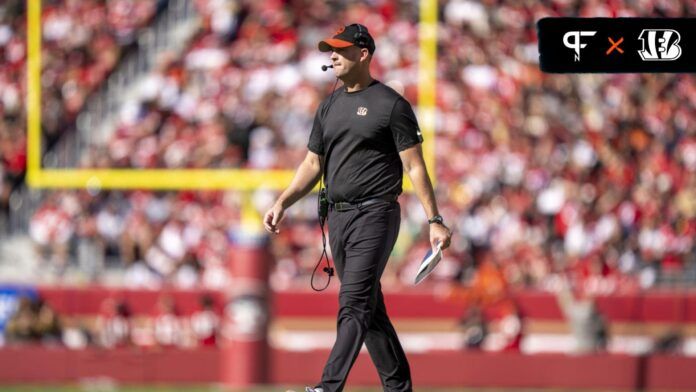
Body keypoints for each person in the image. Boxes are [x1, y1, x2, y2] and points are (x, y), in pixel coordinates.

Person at [264, 24, 452, 392]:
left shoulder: (391, 105)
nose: (332, 56)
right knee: (369, 307)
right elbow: (312, 165)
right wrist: (282, 201)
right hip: (338, 216)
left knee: (353, 303)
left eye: (339, 49)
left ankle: (328, 386)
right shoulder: (328, 105)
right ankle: (398, 388)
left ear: (362, 54)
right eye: (330, 51)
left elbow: (415, 166)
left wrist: (435, 219)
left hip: (376, 214)